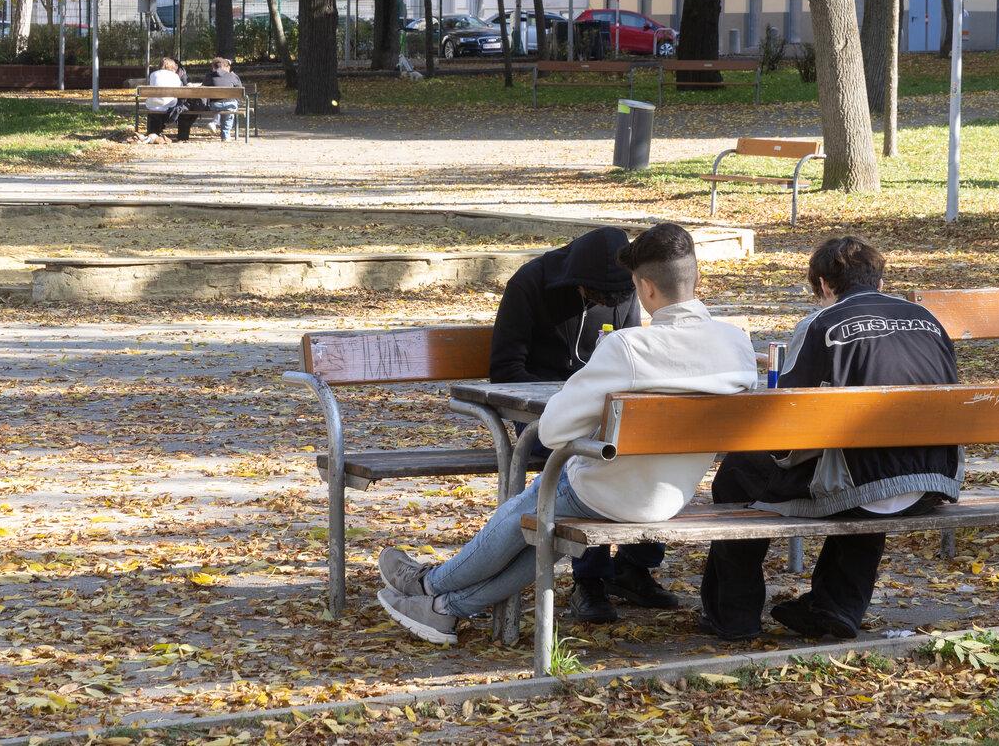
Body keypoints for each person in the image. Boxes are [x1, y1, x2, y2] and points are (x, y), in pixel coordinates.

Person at [376, 223, 757, 645]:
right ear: (696, 279)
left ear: (645, 288)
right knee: (546, 529)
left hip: (606, 491)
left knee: (531, 507)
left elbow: (555, 429)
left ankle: (430, 586)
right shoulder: (737, 344)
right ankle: (441, 609)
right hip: (671, 495)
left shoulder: (630, 349)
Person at [698, 236, 960, 643]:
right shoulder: (929, 320)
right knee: (873, 470)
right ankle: (835, 605)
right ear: (879, 278)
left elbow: (786, 419)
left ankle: (734, 614)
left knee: (737, 473)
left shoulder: (823, 323)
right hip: (932, 479)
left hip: (866, 482)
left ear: (823, 284)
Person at [490, 225, 668, 622]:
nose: (607, 301)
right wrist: (570, 397)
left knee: (654, 448)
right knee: (586, 460)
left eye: (616, 296)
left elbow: (630, 358)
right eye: (596, 295)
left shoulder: (622, 290)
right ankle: (590, 582)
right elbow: (505, 369)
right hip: (541, 415)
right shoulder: (531, 283)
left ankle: (635, 566)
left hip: (600, 412)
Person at [176, 57, 243, 142]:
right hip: (230, 104)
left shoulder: (209, 76)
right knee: (228, 109)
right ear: (223, 66)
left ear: (213, 67)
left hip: (214, 105)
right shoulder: (233, 76)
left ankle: (215, 124)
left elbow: (202, 90)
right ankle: (225, 135)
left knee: (220, 106)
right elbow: (240, 90)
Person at [143, 57, 184, 136]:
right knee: (176, 101)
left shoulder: (153, 74)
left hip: (152, 104)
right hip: (169, 105)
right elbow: (180, 90)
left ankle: (152, 131)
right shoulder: (175, 76)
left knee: (156, 102)